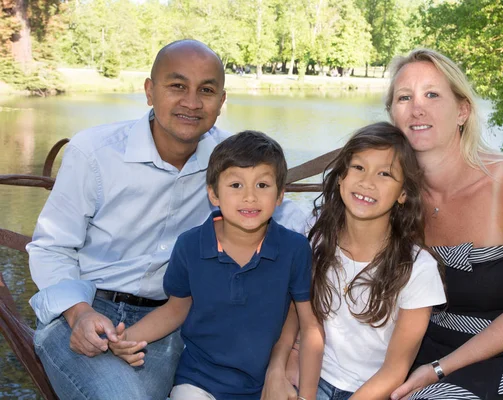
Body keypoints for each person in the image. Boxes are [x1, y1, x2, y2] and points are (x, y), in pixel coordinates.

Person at [26, 40, 306, 400]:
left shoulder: (231, 165)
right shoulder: (95, 153)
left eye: (206, 90)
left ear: (221, 102)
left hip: (169, 322)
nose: (191, 102)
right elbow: (52, 246)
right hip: (85, 311)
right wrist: (77, 313)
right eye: (177, 86)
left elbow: (292, 218)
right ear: (149, 91)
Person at [384, 49, 503, 400]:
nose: (417, 108)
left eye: (432, 94)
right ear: (392, 114)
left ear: (462, 110)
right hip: (428, 345)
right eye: (404, 97)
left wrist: (440, 369)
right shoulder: (391, 193)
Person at [108, 130, 324, 400]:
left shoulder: (294, 249)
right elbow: (175, 309)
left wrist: (307, 396)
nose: (249, 197)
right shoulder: (190, 246)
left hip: (265, 385)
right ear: (213, 194)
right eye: (236, 185)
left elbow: (310, 326)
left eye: (262, 185)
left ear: (280, 195)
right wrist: (126, 338)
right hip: (199, 381)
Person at [308, 122, 445, 400]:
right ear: (341, 178)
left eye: (385, 174)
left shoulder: (417, 268)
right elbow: (299, 323)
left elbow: (395, 371)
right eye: (358, 167)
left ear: (403, 193)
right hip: (312, 376)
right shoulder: (317, 236)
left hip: (371, 391)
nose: (367, 182)